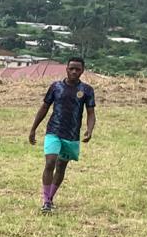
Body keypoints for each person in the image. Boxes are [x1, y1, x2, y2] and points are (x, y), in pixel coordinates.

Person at [28, 56, 96, 212]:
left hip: (71, 135)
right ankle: (46, 201)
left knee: (61, 166)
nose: (74, 71)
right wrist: (33, 128)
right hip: (53, 131)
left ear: (82, 71)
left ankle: (50, 198)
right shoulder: (55, 87)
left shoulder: (86, 90)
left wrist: (89, 130)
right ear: (66, 68)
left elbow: (91, 113)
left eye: (77, 69)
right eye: (71, 68)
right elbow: (44, 108)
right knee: (50, 162)